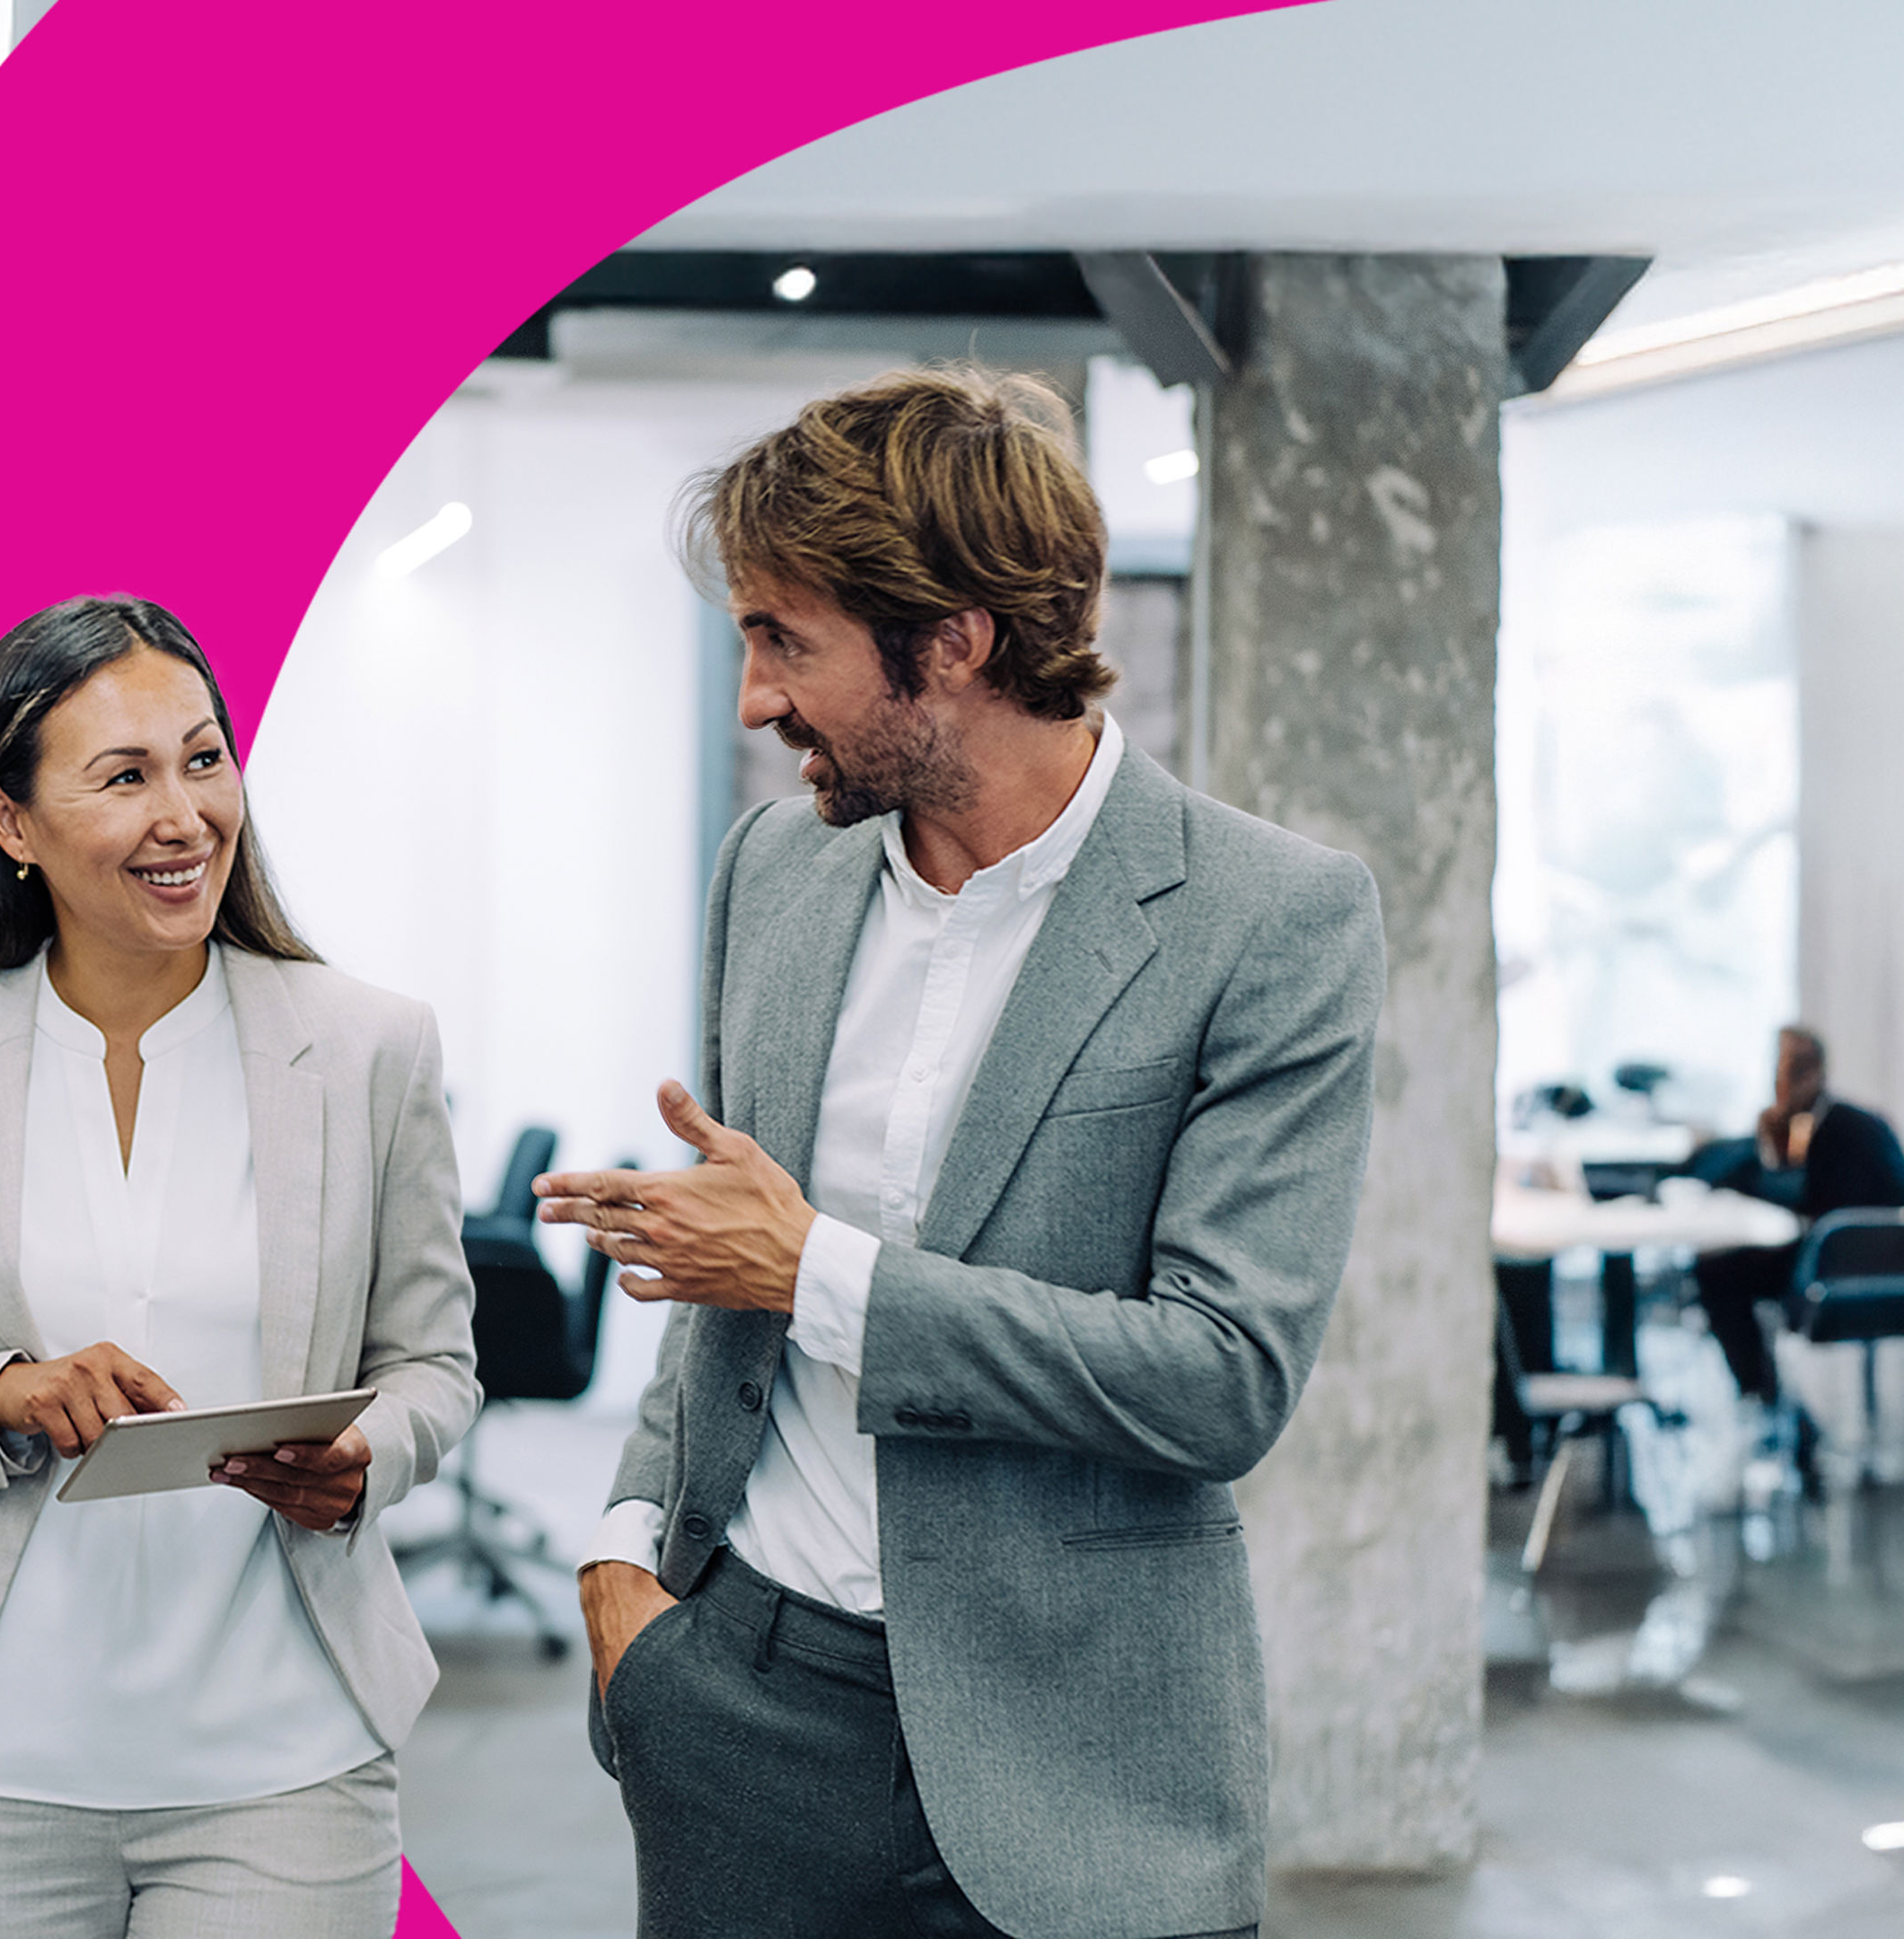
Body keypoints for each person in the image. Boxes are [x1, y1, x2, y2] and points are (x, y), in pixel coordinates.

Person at [543, 368, 1385, 1939]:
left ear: (952, 643)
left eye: (785, 641)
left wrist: (819, 1275)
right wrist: (620, 1565)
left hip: (1090, 1763)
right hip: (746, 1711)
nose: (752, 698)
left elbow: (1220, 1378)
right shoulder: (779, 868)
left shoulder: (1270, 924)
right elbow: (724, 1261)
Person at [0, 594, 479, 1939]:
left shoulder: (371, 1047)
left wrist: (367, 1456)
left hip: (285, 1766)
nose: (184, 815)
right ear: (12, 823)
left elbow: (433, 1367)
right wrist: (5, 1394)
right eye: (126, 776)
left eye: (205, 760)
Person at [1683, 1023, 1904, 1408]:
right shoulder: (1852, 1124)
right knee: (1725, 1269)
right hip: (1885, 1273)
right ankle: (1768, 1400)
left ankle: (1759, 1398)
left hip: (1838, 1274)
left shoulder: (1832, 1132)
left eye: (1782, 1072)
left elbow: (1796, 1199)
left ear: (1809, 1074)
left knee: (1716, 1272)